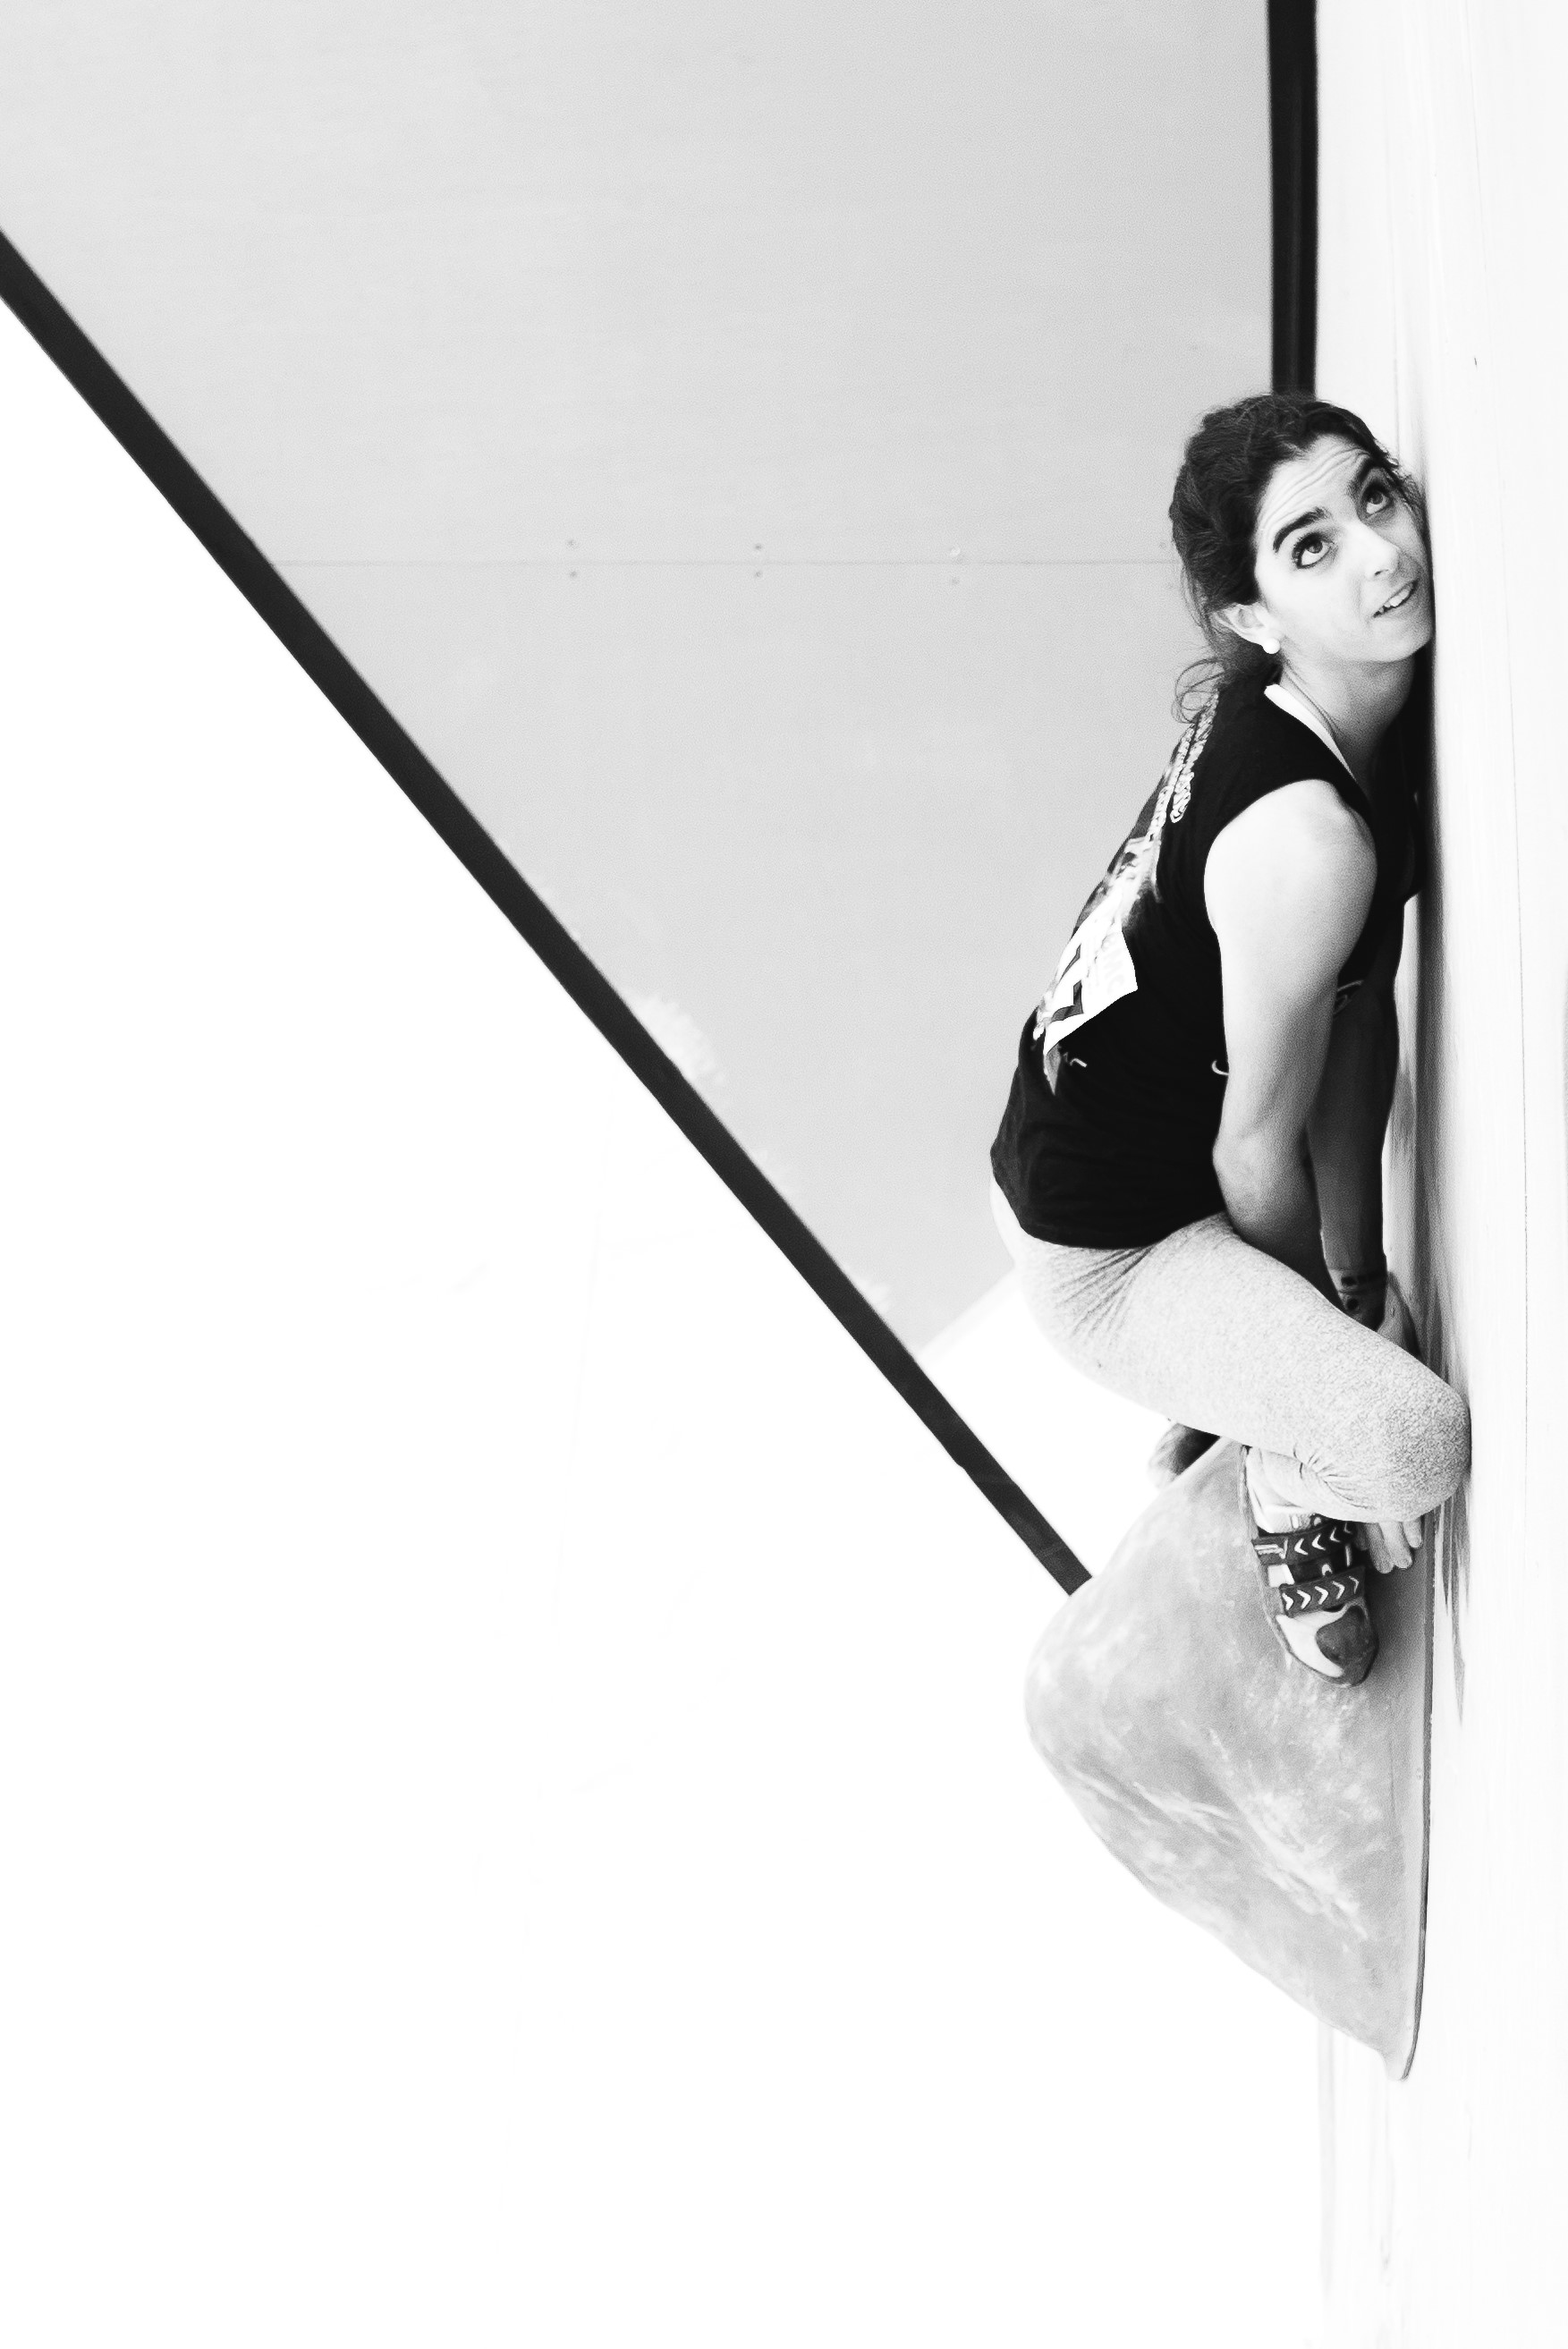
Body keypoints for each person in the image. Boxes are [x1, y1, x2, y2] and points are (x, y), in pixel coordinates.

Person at [989, 393, 1471, 1684]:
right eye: (1312, 547)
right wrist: (1319, 1368)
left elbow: (1356, 1010)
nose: (1382, 554)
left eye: (1376, 496)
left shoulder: (1360, 719)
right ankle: (1270, 1481)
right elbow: (1254, 1147)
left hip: (1163, 1157)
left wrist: (1358, 1282)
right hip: (1112, 1250)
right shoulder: (1303, 834)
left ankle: (1261, 1396)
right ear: (1254, 617)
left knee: (1366, 1358)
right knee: (1415, 1442)